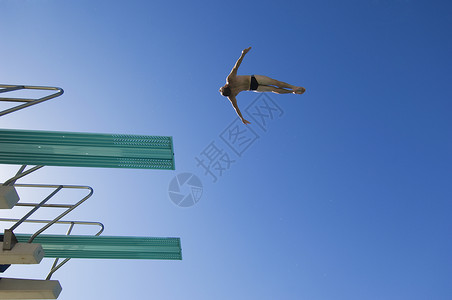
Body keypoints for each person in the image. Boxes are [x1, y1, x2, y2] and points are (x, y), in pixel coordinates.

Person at [219, 47, 306, 125]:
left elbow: (236, 107)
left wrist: (242, 118)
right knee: (275, 83)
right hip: (253, 80)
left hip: (253, 87)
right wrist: (243, 54)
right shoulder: (230, 87)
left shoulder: (231, 89)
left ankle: (292, 91)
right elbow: (236, 66)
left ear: (227, 87)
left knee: (273, 88)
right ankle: (293, 88)